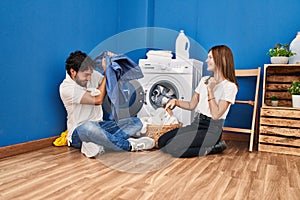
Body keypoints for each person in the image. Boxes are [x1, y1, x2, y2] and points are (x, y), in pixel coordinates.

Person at [59, 50, 155, 157]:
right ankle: (129, 145)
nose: (89, 78)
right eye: (86, 75)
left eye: (90, 74)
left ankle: (99, 145)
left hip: (100, 125)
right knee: (88, 127)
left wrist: (111, 64)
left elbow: (110, 81)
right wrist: (105, 74)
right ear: (73, 72)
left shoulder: (91, 75)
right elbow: (97, 100)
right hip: (78, 131)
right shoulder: (66, 88)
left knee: (136, 122)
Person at [158, 45, 238, 158]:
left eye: (210, 57)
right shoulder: (204, 80)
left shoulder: (230, 87)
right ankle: (207, 146)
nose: (207, 60)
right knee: (162, 142)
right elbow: (191, 105)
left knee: (174, 148)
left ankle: (214, 147)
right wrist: (175, 102)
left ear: (221, 60)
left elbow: (216, 115)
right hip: (196, 124)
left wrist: (210, 89)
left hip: (212, 130)